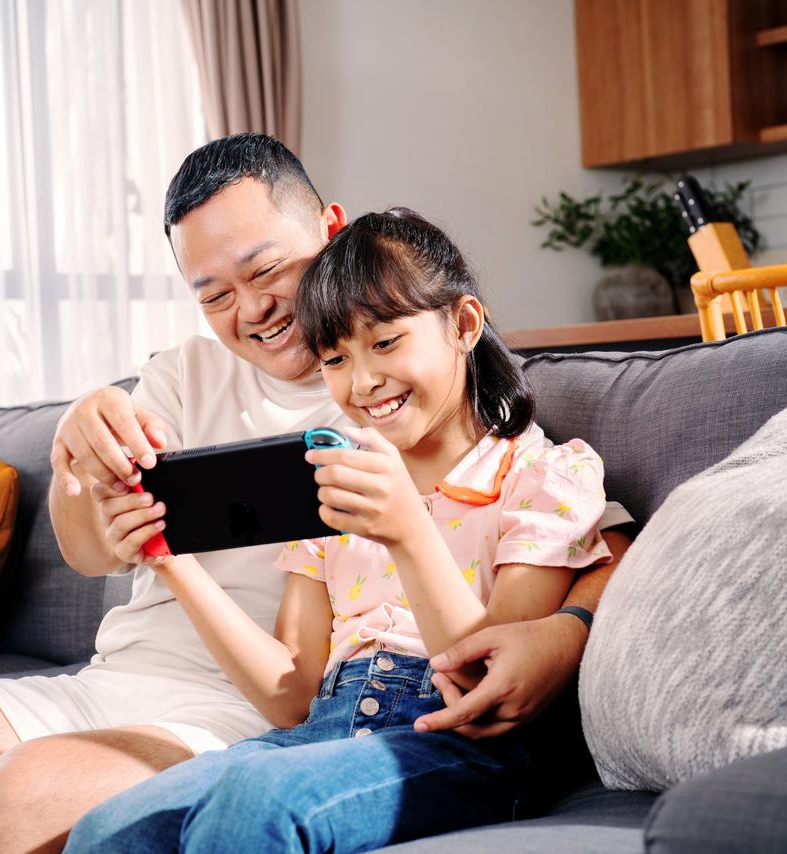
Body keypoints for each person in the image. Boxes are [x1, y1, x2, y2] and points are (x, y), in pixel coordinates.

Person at [0, 135, 628, 854]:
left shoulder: (415, 400)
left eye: (267, 269)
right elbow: (92, 550)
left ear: (331, 229)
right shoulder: (187, 376)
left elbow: (594, 544)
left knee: (53, 787)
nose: (255, 310)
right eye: (215, 292)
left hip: (240, 713)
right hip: (135, 681)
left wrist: (566, 630)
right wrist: (81, 453)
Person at [62, 207, 616, 853]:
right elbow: (290, 697)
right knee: (112, 824)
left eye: (384, 343)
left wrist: (409, 534)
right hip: (320, 731)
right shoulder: (331, 487)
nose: (363, 381)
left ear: (464, 324)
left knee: (257, 806)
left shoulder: (544, 473)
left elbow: (482, 690)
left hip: (456, 741)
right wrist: (170, 559)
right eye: (335, 359)